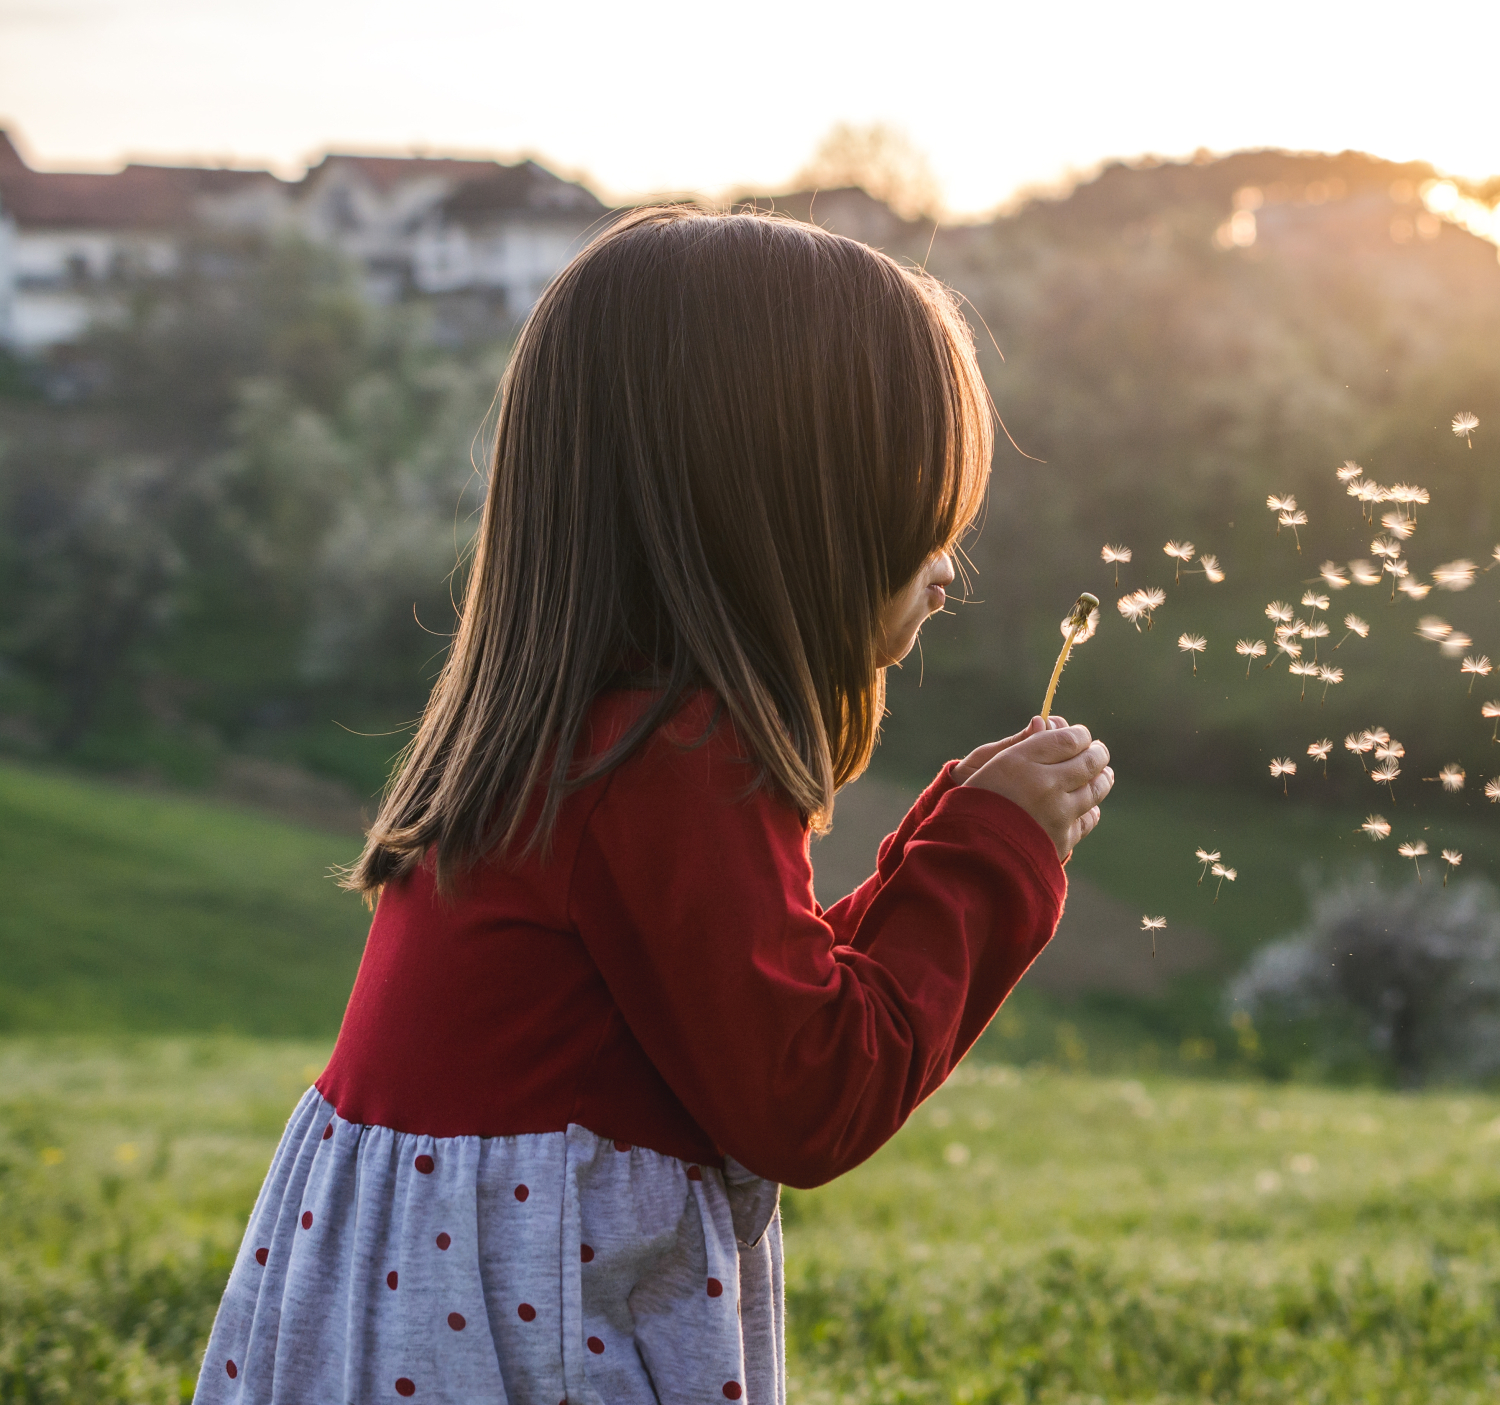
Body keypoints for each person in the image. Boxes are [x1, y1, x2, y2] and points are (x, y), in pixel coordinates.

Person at [193, 207, 1113, 1403]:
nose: (948, 567)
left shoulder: (573, 739)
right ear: (785, 512)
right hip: (523, 1351)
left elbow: (749, 1002)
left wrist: (948, 830)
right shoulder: (669, 762)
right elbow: (807, 1094)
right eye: (919, 518)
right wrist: (992, 858)